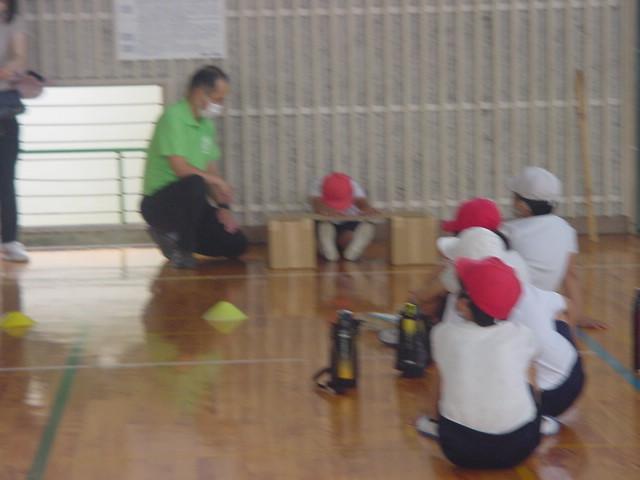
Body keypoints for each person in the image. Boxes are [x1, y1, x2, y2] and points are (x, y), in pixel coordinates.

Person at [439, 229, 585, 435]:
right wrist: (571, 342)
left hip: (527, 399)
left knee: (487, 360)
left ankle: (534, 418)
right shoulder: (523, 288)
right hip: (572, 377)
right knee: (554, 322)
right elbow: (568, 306)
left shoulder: (460, 306)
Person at [417, 257, 541, 469]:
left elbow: (439, 382)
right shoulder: (522, 334)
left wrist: (433, 416)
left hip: (460, 449)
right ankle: (538, 420)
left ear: (463, 304)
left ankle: (432, 422)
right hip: (520, 446)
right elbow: (534, 385)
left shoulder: (444, 334)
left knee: (444, 371)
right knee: (527, 369)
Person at [140, 66, 248, 269]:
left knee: (237, 243)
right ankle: (181, 249)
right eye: (217, 99)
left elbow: (210, 169)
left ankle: (175, 240)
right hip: (160, 204)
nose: (220, 105)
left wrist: (223, 208)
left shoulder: (206, 126)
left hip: (191, 206)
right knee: (195, 183)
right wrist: (218, 181)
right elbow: (181, 170)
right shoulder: (173, 117)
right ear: (200, 93)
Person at [502, 166, 603, 328]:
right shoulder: (565, 229)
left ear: (523, 206)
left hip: (512, 308)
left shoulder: (509, 231)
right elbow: (570, 275)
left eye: (515, 197)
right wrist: (576, 315)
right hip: (545, 307)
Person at [0, 0, 28, 262]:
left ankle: (9, 240)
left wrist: (9, 70)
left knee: (5, 180)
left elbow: (19, 58)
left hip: (4, 110)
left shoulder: (12, 21)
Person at [310, 172, 378, 261]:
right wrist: (327, 210)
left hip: (349, 221)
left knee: (366, 227)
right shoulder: (318, 185)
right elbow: (316, 203)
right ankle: (328, 250)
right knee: (324, 227)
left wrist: (367, 209)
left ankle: (353, 251)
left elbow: (362, 202)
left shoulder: (354, 186)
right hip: (329, 222)